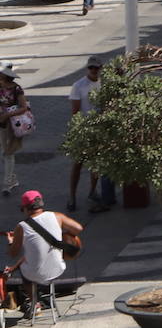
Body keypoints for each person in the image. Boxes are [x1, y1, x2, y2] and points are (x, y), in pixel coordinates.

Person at [5, 191, 83, 320]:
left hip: (35, 275)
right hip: (58, 269)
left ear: (25, 208)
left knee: (25, 269)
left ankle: (35, 304)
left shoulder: (22, 227)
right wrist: (61, 234)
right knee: (29, 259)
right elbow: (78, 228)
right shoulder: (57, 216)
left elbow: (13, 253)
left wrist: (11, 241)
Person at [66, 57, 105, 213]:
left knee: (95, 164)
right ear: (87, 68)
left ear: (100, 68)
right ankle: (72, 197)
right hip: (83, 129)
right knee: (78, 164)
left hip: (99, 128)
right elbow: (75, 111)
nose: (94, 70)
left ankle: (92, 191)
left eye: (96, 68)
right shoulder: (78, 86)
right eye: (91, 68)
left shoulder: (104, 83)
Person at [0, 65, 27, 197]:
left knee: (8, 153)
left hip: (12, 125)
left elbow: (24, 107)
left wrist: (7, 114)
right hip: (1, 124)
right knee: (4, 152)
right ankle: (12, 177)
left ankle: (7, 183)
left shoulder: (17, 89)